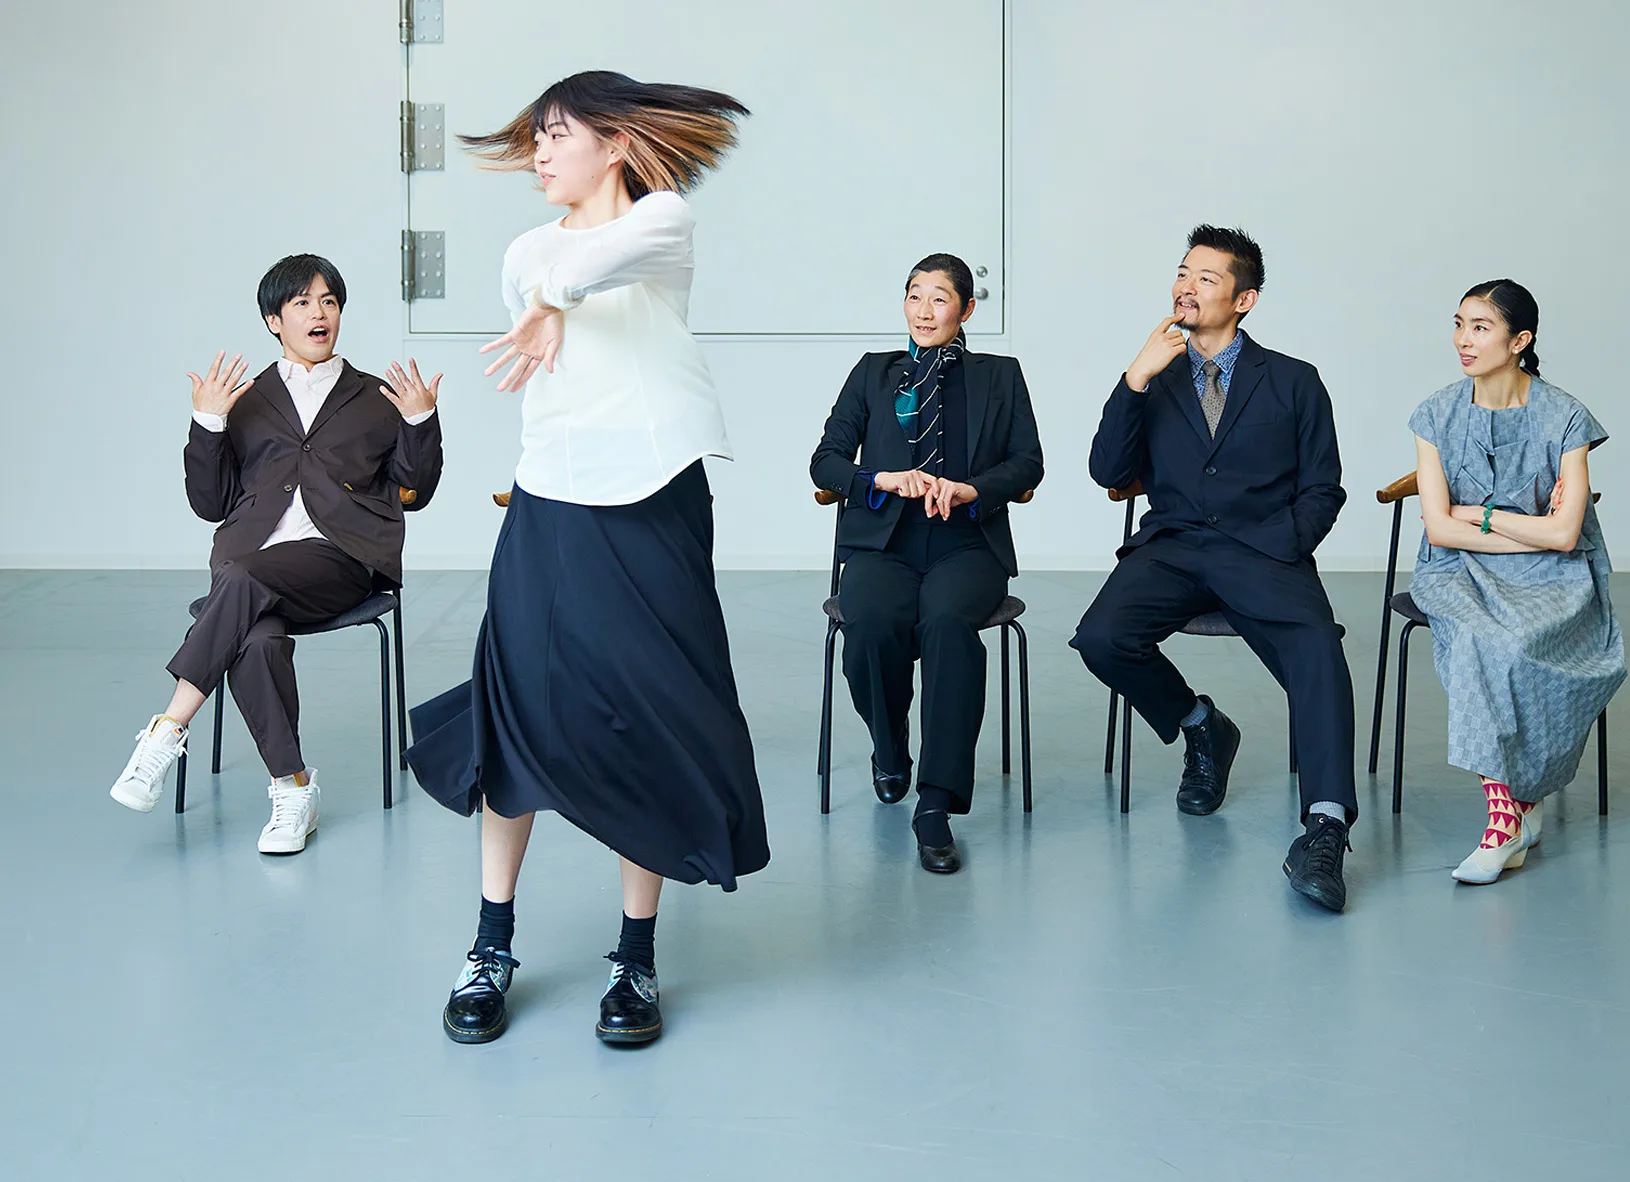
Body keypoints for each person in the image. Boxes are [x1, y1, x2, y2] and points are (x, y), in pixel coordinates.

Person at [406, 71, 768, 1049]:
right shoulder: (525, 251)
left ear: (613, 143)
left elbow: (611, 259)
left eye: (556, 135)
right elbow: (547, 294)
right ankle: (490, 945)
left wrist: (558, 298)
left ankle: (634, 957)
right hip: (549, 504)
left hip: (653, 499)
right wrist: (548, 295)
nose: (538, 153)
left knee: (648, 716)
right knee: (513, 710)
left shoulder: (664, 224)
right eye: (533, 138)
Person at [106, 254, 444, 854]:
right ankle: (293, 788)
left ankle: (167, 729)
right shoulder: (248, 399)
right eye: (303, 303)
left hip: (339, 559)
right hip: (252, 564)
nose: (320, 313)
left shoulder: (375, 397)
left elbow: (416, 491)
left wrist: (420, 420)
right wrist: (207, 422)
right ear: (274, 321)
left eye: (329, 301)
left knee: (240, 580)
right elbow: (211, 504)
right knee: (256, 639)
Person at [1070, 225, 1359, 913]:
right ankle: (1202, 724)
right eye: (1182, 273)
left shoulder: (1293, 380)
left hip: (1263, 550)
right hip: (1173, 546)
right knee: (1101, 637)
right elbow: (1107, 471)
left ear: (1244, 299)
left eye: (1205, 277)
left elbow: (1324, 488)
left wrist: (1286, 542)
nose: (1186, 287)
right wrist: (1134, 379)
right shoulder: (1154, 375)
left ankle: (1325, 828)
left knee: (1318, 652)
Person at [810, 253, 1044, 874]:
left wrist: (972, 489)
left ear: (966, 310)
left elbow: (1028, 462)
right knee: (867, 622)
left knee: (947, 624)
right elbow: (826, 460)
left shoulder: (1000, 375)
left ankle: (936, 803)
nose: (923, 310)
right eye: (914, 295)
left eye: (939, 298)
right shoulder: (873, 372)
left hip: (966, 543)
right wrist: (879, 479)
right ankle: (890, 751)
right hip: (883, 542)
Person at [1408, 279, 1625, 883]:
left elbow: (1565, 536)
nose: (1463, 339)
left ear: (1519, 340)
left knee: (1523, 642)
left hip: (1554, 574)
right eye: (1459, 324)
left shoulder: (1566, 416)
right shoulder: (1434, 415)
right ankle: (1505, 816)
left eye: (1480, 327)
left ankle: (1525, 802)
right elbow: (1439, 530)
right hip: (1455, 568)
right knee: (1479, 638)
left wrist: (1479, 516)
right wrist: (1531, 529)